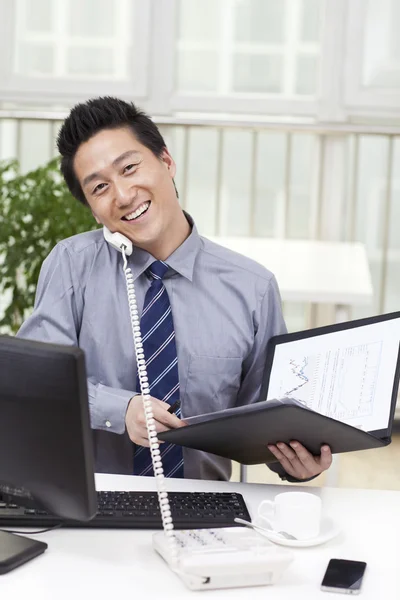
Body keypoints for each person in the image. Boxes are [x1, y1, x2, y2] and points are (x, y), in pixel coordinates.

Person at [17, 96, 332, 482]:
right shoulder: (70, 266)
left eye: (129, 168)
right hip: (94, 504)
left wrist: (295, 461)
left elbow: (264, 418)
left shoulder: (253, 288)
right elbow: (35, 387)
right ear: (92, 208)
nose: (123, 195)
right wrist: (120, 408)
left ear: (166, 162)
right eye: (100, 188)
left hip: (204, 506)